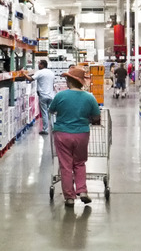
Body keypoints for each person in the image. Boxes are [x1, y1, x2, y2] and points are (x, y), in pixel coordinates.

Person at [50, 66, 101, 207]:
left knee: (66, 165)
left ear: (70, 80)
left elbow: (51, 110)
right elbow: (96, 116)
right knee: (79, 163)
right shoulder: (89, 97)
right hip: (81, 134)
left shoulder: (60, 95)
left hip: (62, 134)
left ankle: (69, 197)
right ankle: (82, 191)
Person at [24, 60, 55, 135]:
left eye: (39, 64)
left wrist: (24, 74)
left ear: (42, 65)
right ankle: (54, 128)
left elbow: (30, 79)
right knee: (51, 113)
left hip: (43, 96)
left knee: (44, 113)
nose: (38, 65)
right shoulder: (51, 73)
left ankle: (45, 129)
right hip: (51, 95)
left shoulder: (40, 72)